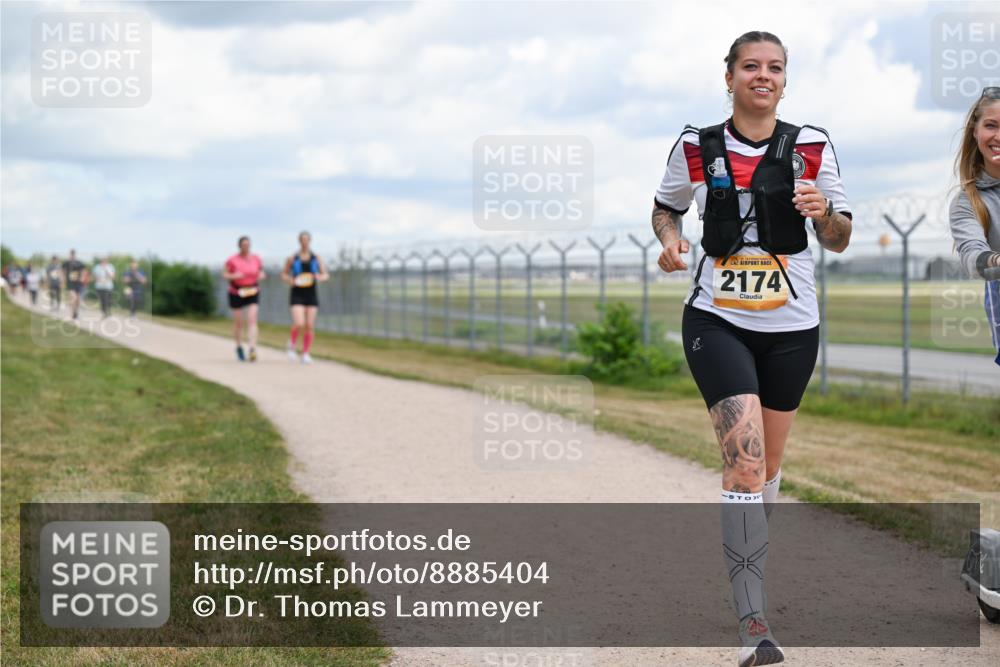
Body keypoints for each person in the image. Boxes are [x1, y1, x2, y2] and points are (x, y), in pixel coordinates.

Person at [651, 31, 852, 667]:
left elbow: (842, 237)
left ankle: (751, 568)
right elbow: (665, 209)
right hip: (716, 319)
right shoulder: (695, 145)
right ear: (730, 76)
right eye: (750, 66)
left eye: (775, 68)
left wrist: (822, 213)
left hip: (792, 325)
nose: (762, 76)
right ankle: (754, 624)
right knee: (743, 460)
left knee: (765, 473)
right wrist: (672, 241)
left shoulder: (814, 145)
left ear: (785, 81)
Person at [949, 87, 1000, 367]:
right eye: (991, 125)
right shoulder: (967, 203)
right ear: (975, 131)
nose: (998, 136)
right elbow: (973, 257)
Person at [281, 231, 329, 364]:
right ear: (299, 241)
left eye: (307, 239)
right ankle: (292, 343)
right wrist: (290, 280)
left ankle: (305, 353)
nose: (305, 242)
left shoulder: (316, 257)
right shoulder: (292, 258)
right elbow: (284, 275)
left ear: (310, 241)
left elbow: (325, 274)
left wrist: (320, 277)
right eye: (302, 239)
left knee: (309, 325)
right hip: (297, 293)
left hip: (311, 294)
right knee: (299, 322)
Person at [222, 236, 266, 362]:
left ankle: (252, 348)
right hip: (236, 291)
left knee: (252, 319)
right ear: (239, 246)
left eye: (248, 244)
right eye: (244, 244)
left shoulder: (256, 258)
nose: (246, 246)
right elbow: (224, 274)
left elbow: (261, 272)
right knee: (239, 322)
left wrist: (261, 275)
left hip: (252, 290)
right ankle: (239, 346)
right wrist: (233, 275)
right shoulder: (232, 260)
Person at [63, 250, 88, 319]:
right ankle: (72, 313)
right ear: (69, 255)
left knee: (78, 300)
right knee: (73, 298)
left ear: (75, 255)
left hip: (78, 283)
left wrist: (82, 278)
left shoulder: (79, 263)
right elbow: (62, 271)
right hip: (70, 283)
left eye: (73, 255)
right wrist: (64, 278)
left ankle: (76, 312)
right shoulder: (66, 263)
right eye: (71, 255)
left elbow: (84, 270)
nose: (72, 256)